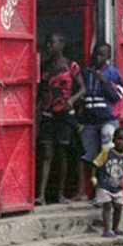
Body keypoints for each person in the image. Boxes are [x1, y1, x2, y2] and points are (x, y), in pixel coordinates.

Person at [36, 33, 85, 205]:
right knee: (47, 153)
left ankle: (60, 194)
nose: (49, 46)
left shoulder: (71, 66)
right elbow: (39, 91)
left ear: (61, 44)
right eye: (47, 43)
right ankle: (41, 195)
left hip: (64, 114)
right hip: (47, 113)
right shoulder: (44, 66)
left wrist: (71, 100)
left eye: (52, 43)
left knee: (62, 153)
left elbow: (82, 88)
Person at [78, 42, 123, 199]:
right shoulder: (86, 72)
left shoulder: (113, 73)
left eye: (101, 55)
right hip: (89, 121)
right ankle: (83, 191)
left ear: (108, 57)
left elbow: (117, 96)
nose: (97, 57)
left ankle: (109, 191)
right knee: (85, 154)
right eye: (95, 54)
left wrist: (104, 81)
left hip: (108, 120)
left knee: (108, 155)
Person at [91, 126, 123, 238]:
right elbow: (96, 164)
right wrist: (93, 177)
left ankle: (115, 228)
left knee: (118, 207)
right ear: (113, 139)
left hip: (117, 187)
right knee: (107, 206)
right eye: (119, 139)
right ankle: (107, 230)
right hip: (104, 185)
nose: (121, 142)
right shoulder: (106, 152)